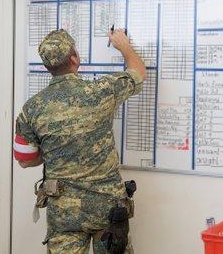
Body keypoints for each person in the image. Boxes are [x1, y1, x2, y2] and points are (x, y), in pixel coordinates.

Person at [13, 28, 146, 254]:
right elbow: (138, 73)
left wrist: (57, 151)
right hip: (108, 208)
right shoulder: (101, 91)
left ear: (48, 66)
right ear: (74, 59)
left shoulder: (32, 108)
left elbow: (25, 159)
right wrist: (123, 45)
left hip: (64, 211)